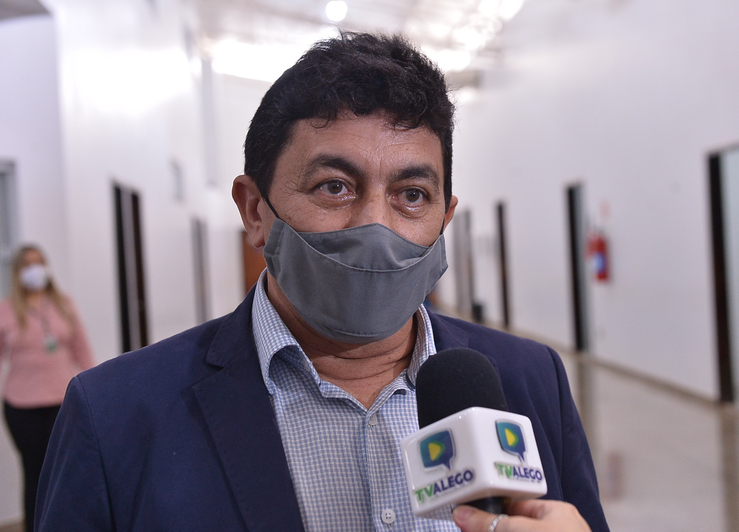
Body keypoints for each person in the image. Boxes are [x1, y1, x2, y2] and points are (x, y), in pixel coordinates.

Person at [36, 33, 609, 532]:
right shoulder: (115, 416)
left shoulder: (530, 381)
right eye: (334, 187)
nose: (375, 228)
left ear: (445, 217)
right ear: (255, 210)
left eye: (412, 195)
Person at [0, 245, 94, 532]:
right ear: (18, 271)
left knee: (64, 470)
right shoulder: (6, 310)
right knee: (35, 472)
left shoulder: (64, 304)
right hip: (21, 405)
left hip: (62, 401)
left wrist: (96, 389)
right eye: (28, 264)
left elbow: (82, 349)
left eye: (39, 262)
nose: (35, 269)